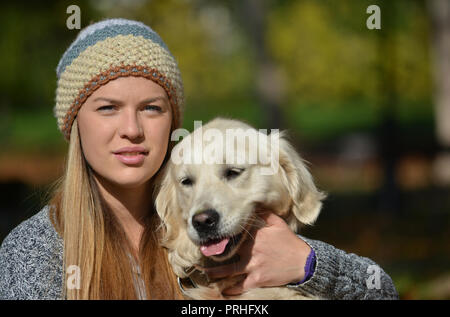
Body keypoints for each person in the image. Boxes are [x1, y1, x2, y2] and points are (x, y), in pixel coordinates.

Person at [0, 18, 398, 300]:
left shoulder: (228, 231)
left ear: (174, 122)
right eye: (107, 108)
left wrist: (310, 265)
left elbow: (382, 290)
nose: (132, 129)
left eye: (152, 108)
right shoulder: (33, 253)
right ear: (74, 126)